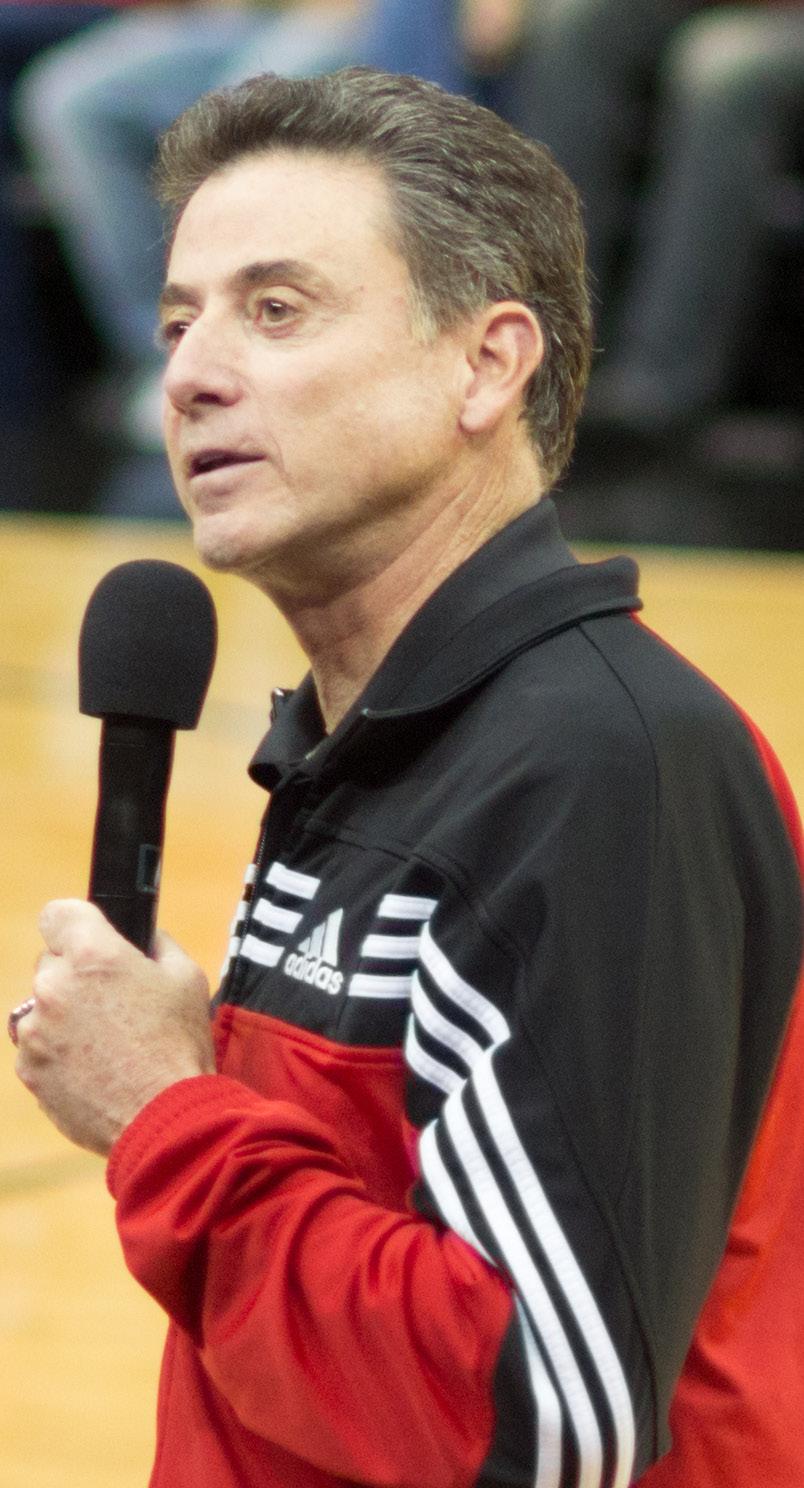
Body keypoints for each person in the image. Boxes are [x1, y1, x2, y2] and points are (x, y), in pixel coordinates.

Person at [11, 68, 803, 1488]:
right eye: (179, 322)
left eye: (276, 310)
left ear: (487, 365)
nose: (189, 374)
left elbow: (548, 1411)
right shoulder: (376, 740)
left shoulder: (598, 765)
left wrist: (164, 1115)